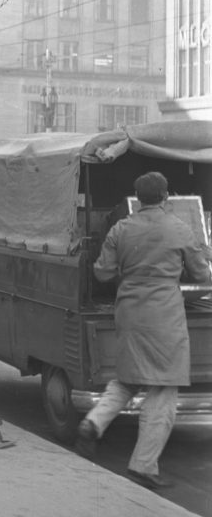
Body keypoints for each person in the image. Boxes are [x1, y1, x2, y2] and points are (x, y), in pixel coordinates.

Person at [74, 171, 212, 489]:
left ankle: (93, 423)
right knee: (163, 389)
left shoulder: (121, 228)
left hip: (129, 312)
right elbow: (201, 274)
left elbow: (103, 272)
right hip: (164, 315)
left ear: (137, 197)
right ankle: (143, 466)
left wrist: (129, 272)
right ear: (166, 197)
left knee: (127, 378)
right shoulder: (179, 228)